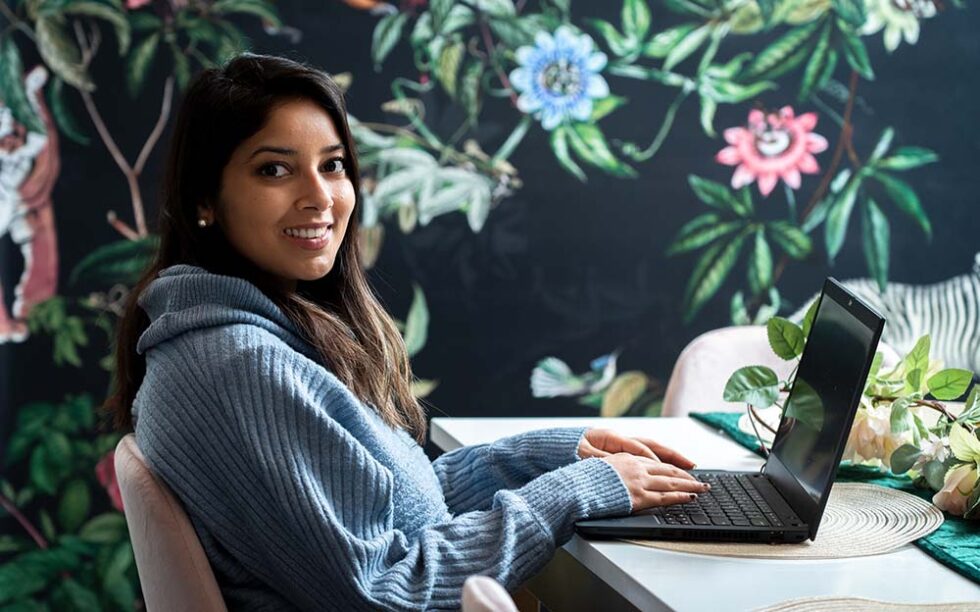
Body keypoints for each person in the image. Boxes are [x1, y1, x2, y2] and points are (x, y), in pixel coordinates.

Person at [103, 52, 710, 611]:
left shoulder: (234, 338)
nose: (320, 197)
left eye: (333, 165)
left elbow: (395, 510)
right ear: (205, 199)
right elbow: (387, 591)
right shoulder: (243, 368)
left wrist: (551, 455)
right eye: (275, 169)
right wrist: (576, 491)